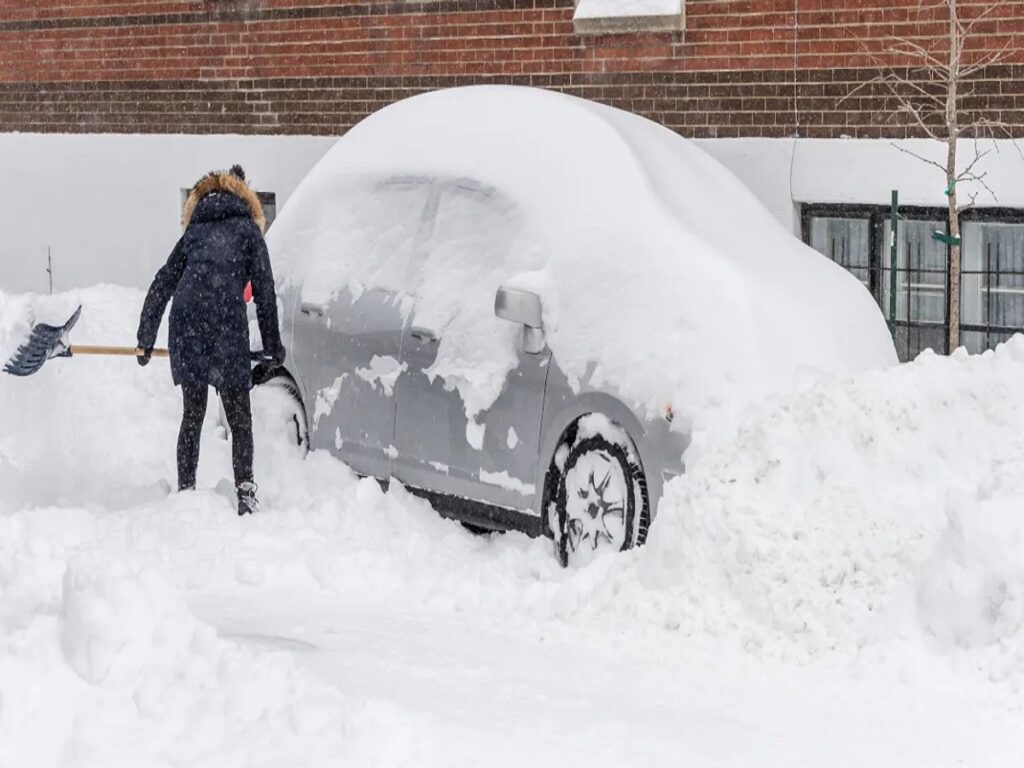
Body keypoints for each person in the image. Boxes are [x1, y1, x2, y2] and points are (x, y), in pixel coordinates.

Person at [136, 164, 285, 515]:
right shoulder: (249, 231)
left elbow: (162, 282)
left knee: (193, 413)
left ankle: (186, 490)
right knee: (239, 419)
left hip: (186, 323)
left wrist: (145, 337)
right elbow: (264, 291)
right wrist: (274, 346)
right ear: (244, 196)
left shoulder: (194, 234)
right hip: (224, 327)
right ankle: (245, 493)